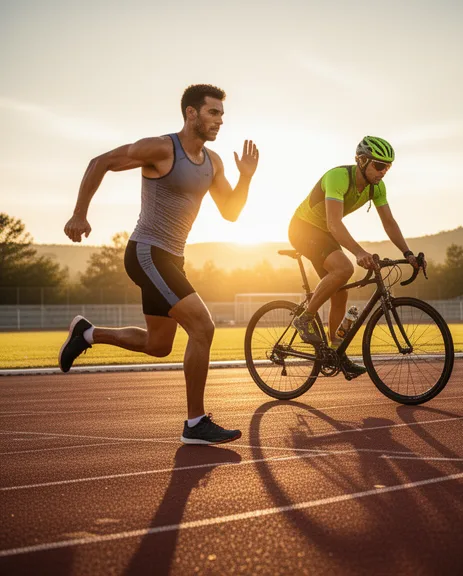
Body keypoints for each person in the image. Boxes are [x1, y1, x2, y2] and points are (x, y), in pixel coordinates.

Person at [59, 84, 258, 445]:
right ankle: (195, 423)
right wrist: (79, 214)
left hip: (172, 259)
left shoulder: (213, 162)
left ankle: (87, 333)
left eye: (222, 115)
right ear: (191, 113)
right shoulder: (162, 148)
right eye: (213, 113)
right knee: (203, 326)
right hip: (147, 251)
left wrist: (245, 177)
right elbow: (99, 162)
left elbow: (230, 212)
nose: (220, 121)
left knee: (158, 345)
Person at [287, 136, 420, 377]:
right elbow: (334, 223)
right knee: (344, 269)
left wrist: (407, 253)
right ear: (362, 160)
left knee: (341, 294)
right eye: (379, 166)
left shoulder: (377, 187)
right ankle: (304, 319)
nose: (383, 172)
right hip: (303, 227)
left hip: (325, 233)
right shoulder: (338, 177)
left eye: (388, 167)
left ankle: (336, 352)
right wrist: (359, 252)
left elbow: (389, 222)